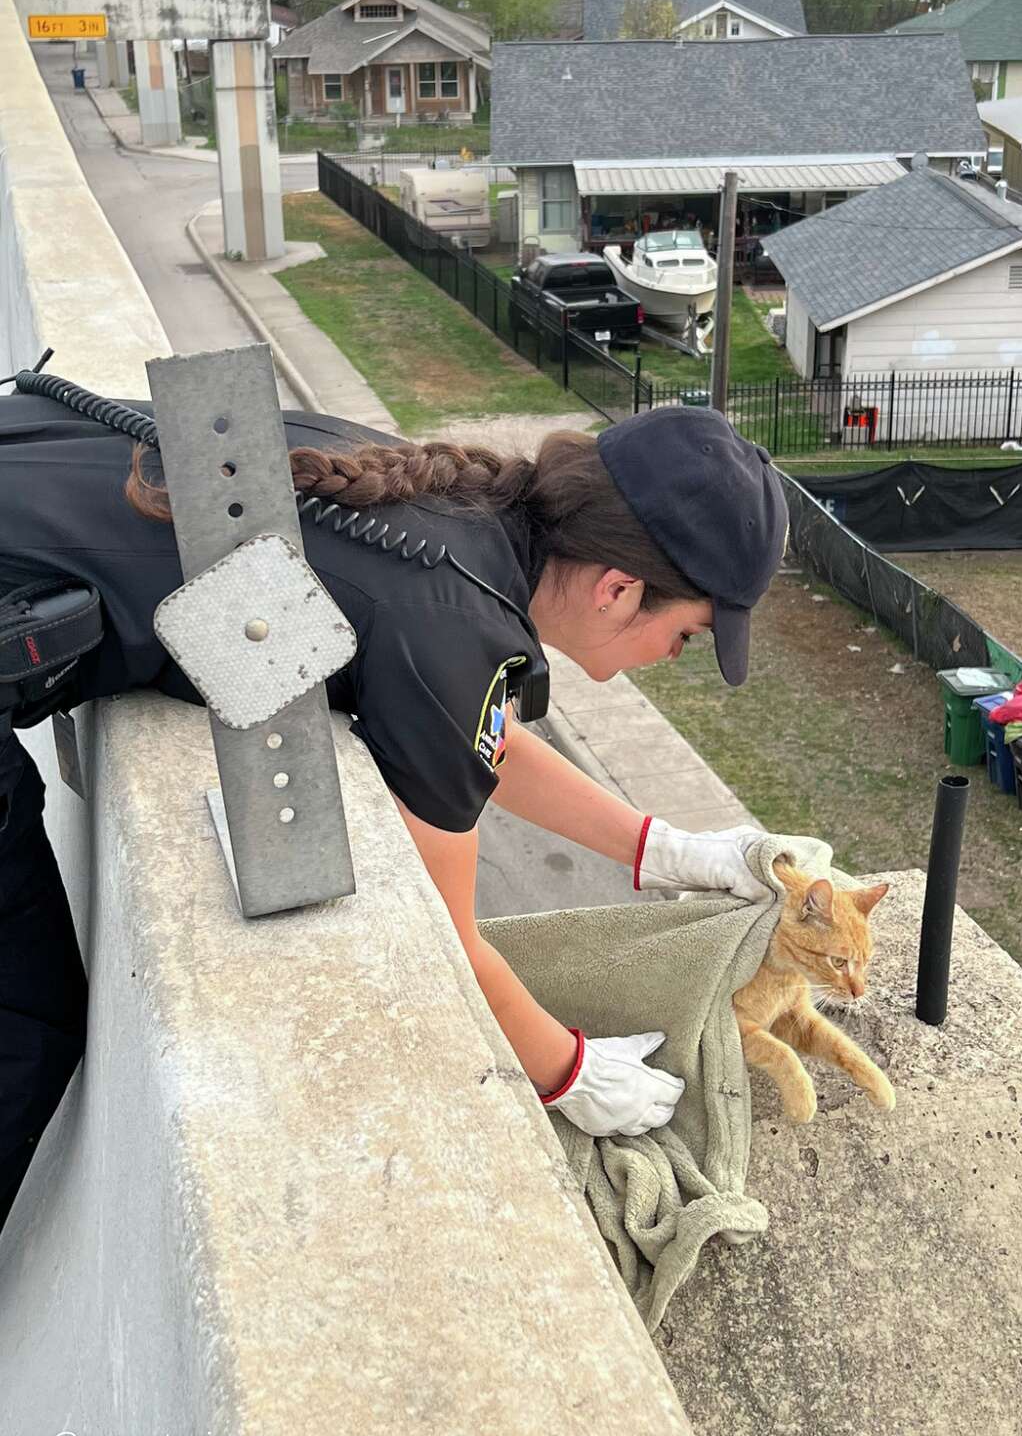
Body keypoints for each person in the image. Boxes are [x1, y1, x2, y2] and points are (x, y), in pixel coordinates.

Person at [0, 395, 788, 1230]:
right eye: (689, 636)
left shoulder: (443, 510)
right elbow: (450, 933)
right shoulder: (454, 622)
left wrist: (660, 849)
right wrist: (571, 1073)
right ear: (620, 590)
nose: (672, 658)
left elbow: (477, 735)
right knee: (25, 1029)